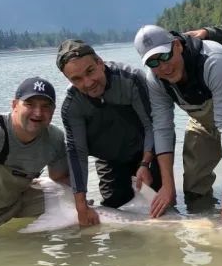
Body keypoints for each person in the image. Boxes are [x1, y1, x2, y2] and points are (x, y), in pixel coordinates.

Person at [134, 24, 222, 219]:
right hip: (204, 122)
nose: (163, 67)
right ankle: (206, 225)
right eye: (153, 62)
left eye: (165, 56)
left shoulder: (213, 60)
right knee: (193, 185)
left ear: (177, 46)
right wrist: (167, 186)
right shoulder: (155, 80)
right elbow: (162, 128)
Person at [57, 39, 161, 226]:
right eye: (77, 79)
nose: (87, 83)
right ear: (69, 80)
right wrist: (81, 205)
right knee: (113, 209)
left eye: (90, 71)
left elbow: (151, 126)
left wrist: (145, 163)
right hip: (110, 159)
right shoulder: (71, 106)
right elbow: (77, 153)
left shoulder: (131, 79)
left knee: (163, 211)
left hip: (147, 152)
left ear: (100, 62)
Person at [0, 77, 68, 231]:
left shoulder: (55, 138)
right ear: (14, 105)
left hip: (14, 201)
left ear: (53, 110)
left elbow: (60, 179)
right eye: (30, 104)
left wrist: (80, 204)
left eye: (46, 106)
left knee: (69, 201)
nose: (38, 113)